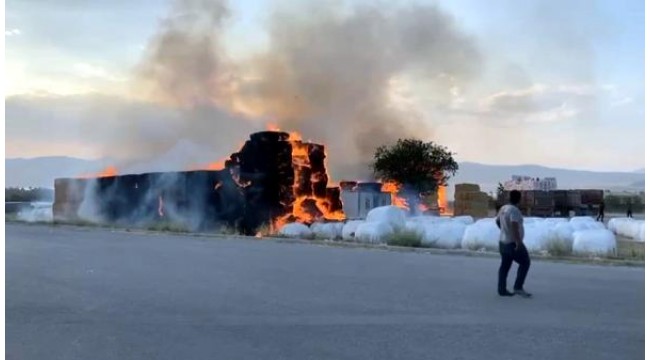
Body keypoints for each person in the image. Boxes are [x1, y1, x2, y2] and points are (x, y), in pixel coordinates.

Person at [495, 190, 532, 298]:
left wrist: (504, 230)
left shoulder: (503, 208)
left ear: (509, 198)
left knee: (505, 266)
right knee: (525, 262)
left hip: (502, 242)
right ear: (519, 199)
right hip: (512, 243)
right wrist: (518, 242)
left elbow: (497, 221)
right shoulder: (514, 210)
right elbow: (514, 225)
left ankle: (501, 290)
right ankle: (518, 287)